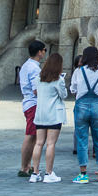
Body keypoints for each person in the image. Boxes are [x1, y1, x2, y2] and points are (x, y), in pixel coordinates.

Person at [70, 45, 98, 183]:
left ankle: (83, 174)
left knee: (82, 140)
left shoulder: (78, 71)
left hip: (81, 105)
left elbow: (73, 89)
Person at [29, 52, 67, 183]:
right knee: (51, 144)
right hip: (54, 115)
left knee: (38, 143)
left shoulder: (39, 78)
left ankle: (34, 173)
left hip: (40, 114)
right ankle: (49, 173)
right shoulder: (59, 80)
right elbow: (64, 95)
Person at [18, 38, 46, 178]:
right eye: (44, 50)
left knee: (33, 136)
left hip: (28, 102)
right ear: (39, 52)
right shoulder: (34, 68)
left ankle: (26, 165)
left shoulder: (26, 65)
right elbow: (36, 90)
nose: (44, 53)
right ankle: (24, 167)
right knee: (31, 135)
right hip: (33, 103)